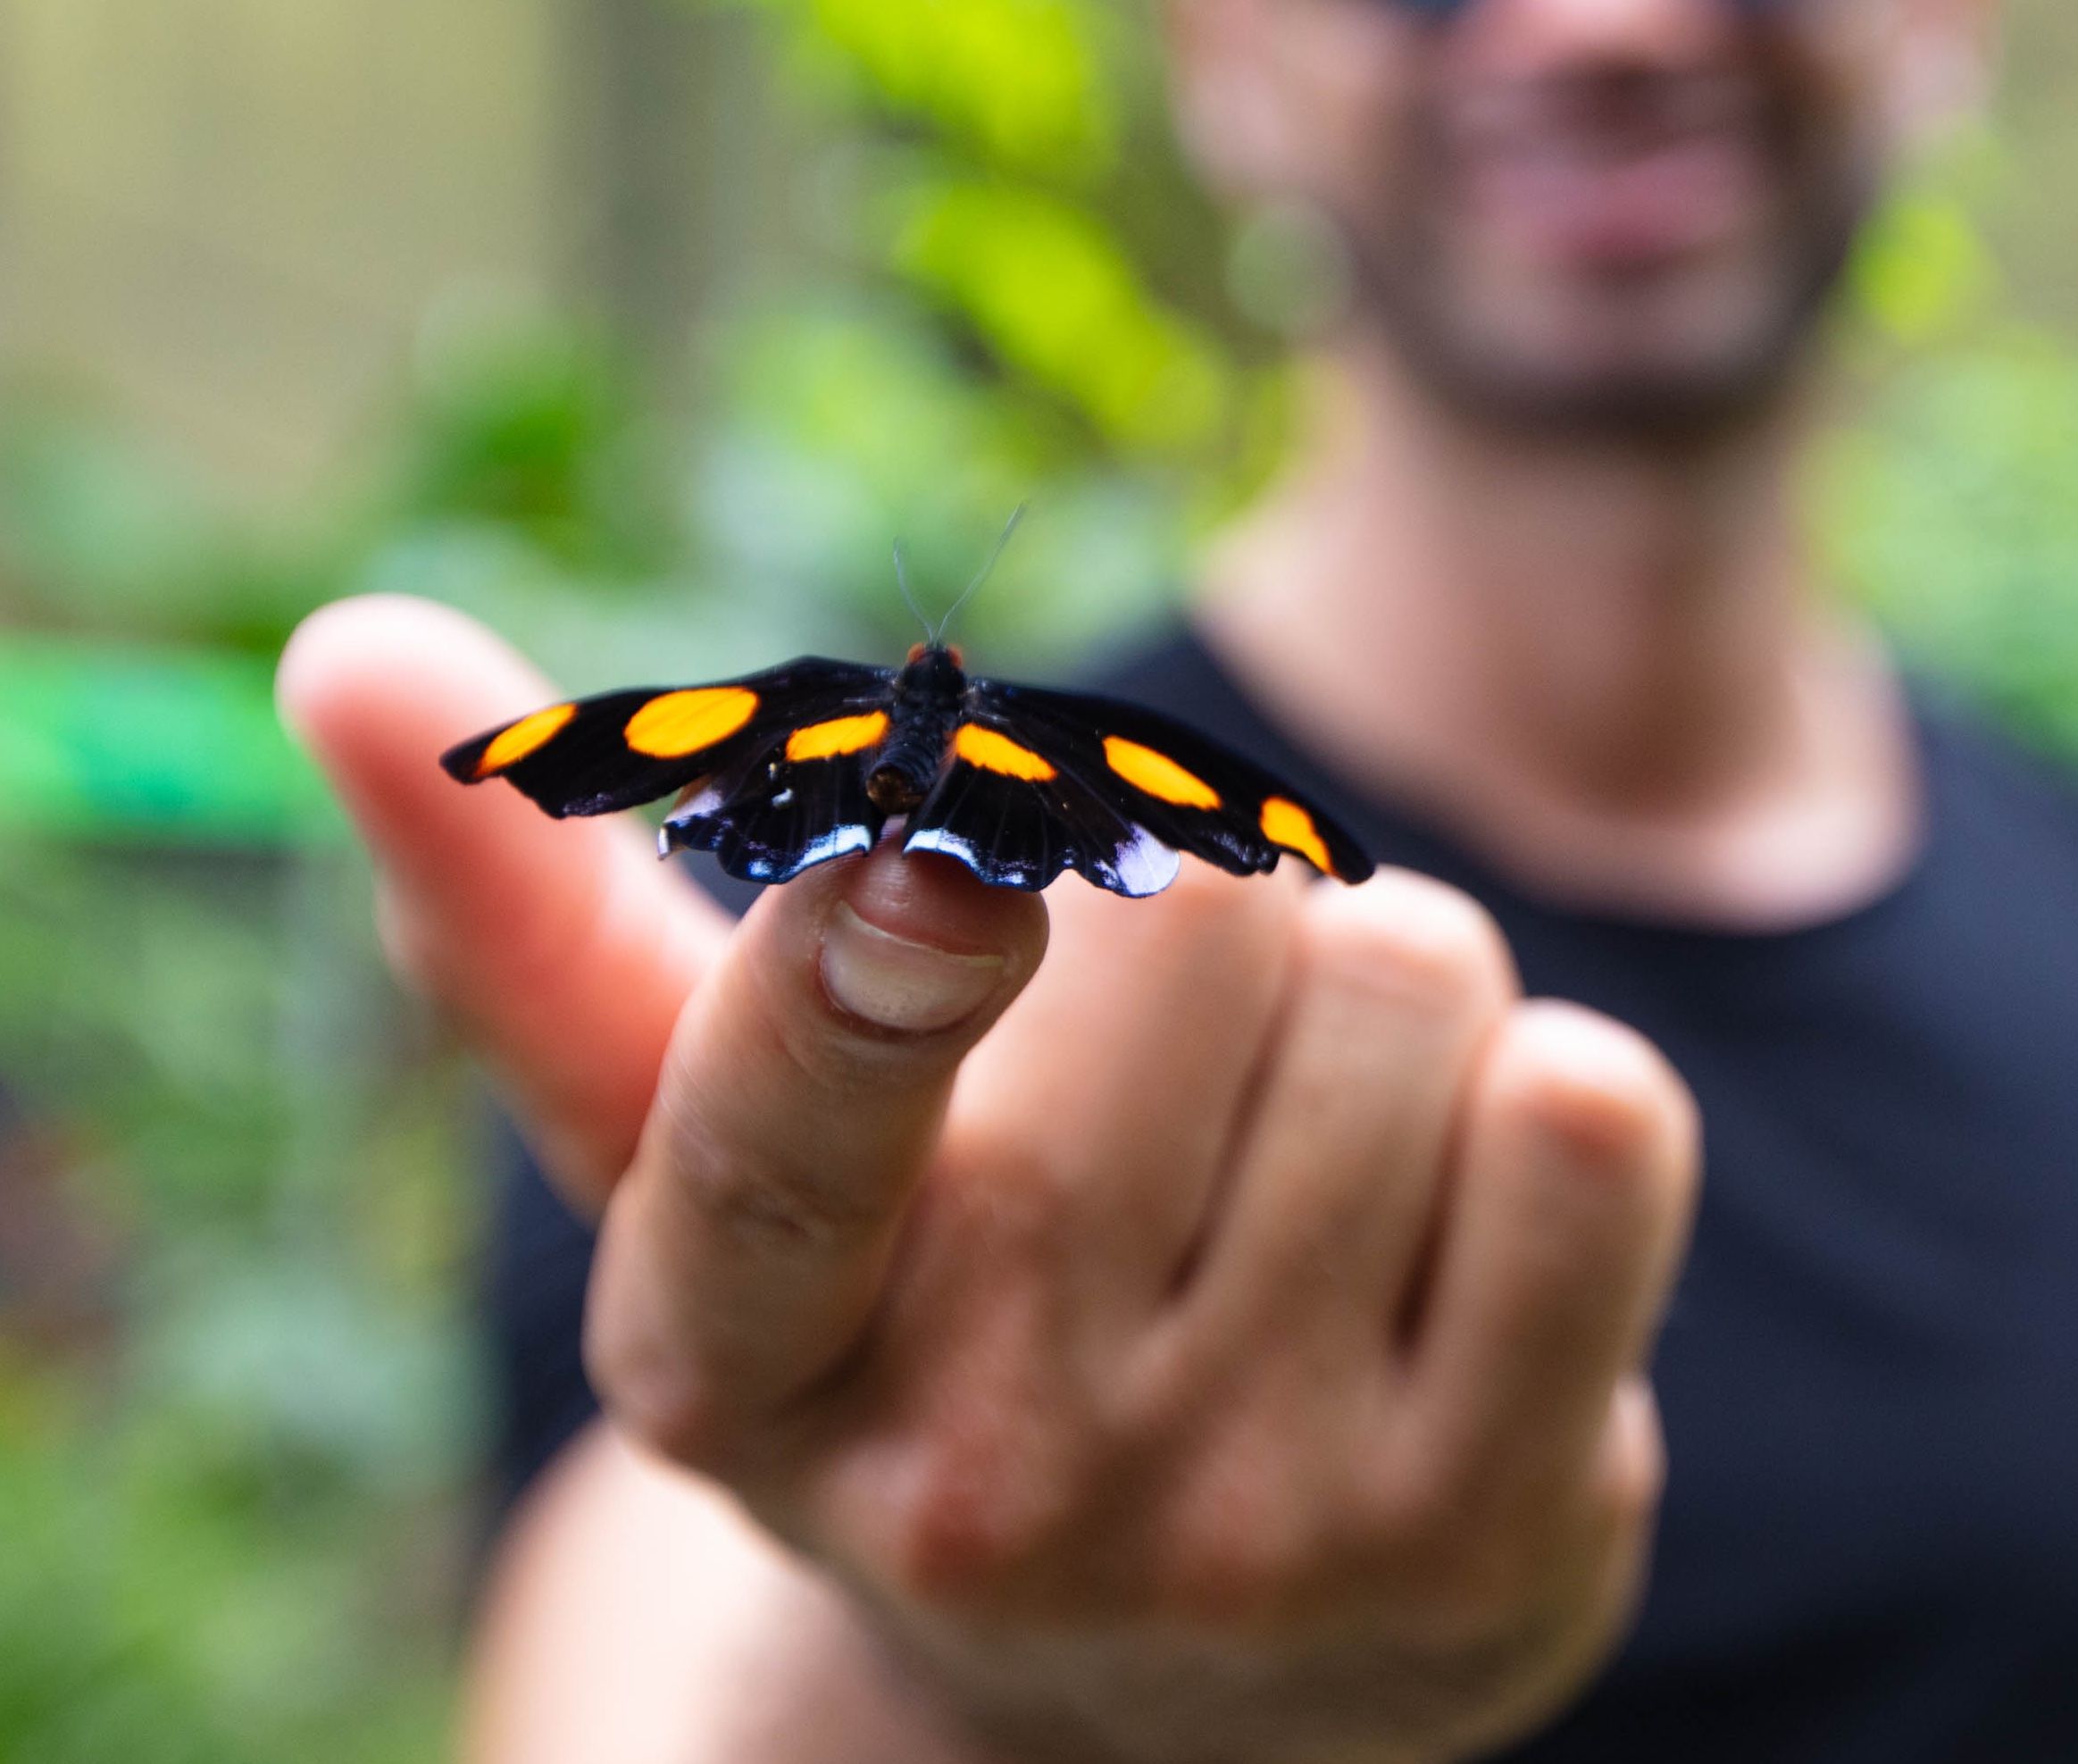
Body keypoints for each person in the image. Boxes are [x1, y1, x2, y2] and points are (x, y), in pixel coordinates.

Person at [279, 0, 2078, 1758]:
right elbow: (628, 1663)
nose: (1599, 22)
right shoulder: (735, 993)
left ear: (1950, 29)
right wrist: (942, 1691)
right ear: (1223, 53)